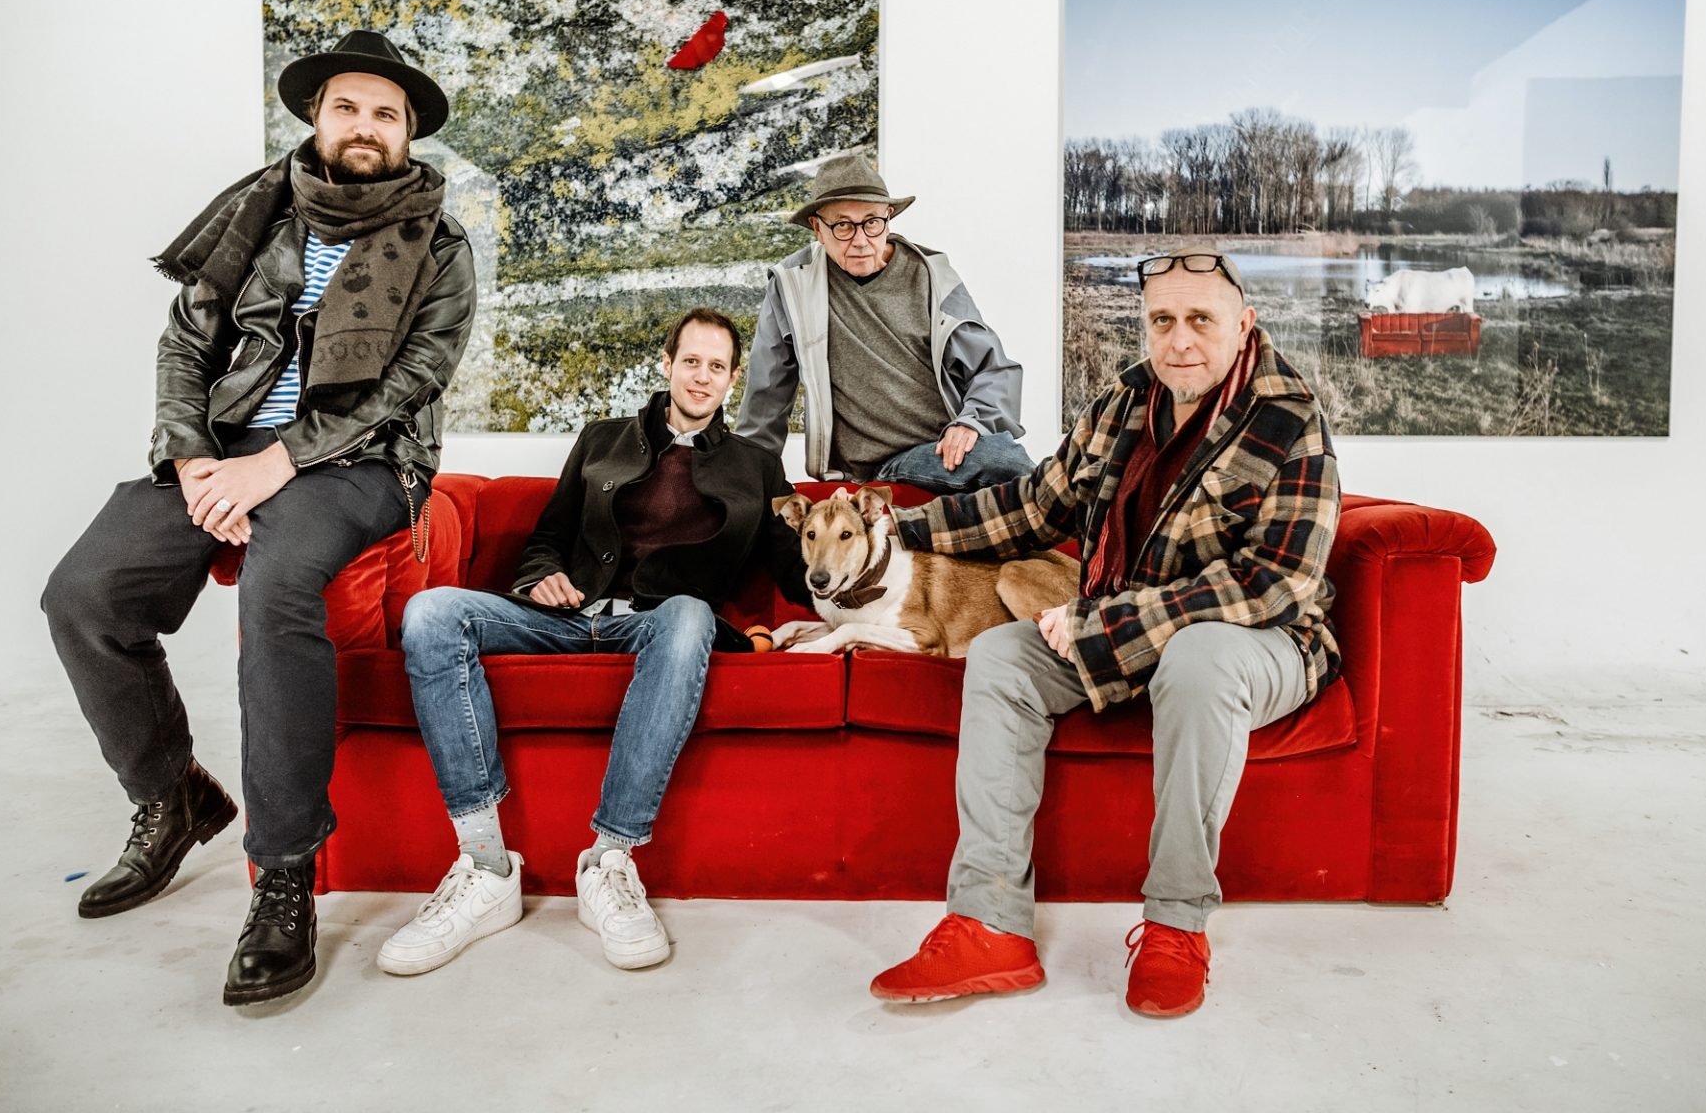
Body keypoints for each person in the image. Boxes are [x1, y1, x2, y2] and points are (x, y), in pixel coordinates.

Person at [42, 30, 476, 1006]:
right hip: (226, 450)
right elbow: (186, 343)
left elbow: (415, 380)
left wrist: (274, 464)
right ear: (318, 116)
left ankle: (285, 870)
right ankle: (170, 795)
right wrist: (196, 458)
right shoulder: (258, 212)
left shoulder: (439, 244)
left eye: (387, 113)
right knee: (83, 591)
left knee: (278, 588)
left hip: (362, 464)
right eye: (348, 107)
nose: (365, 126)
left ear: (408, 134)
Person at [868, 252, 1342, 1017]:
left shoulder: (1290, 416)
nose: (1179, 339)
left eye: (1200, 320)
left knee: (1197, 659)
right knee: (999, 657)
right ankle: (990, 923)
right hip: (1124, 629)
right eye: (1162, 320)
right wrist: (898, 528)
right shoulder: (1126, 399)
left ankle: (1175, 925)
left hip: (1263, 642)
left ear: (1243, 325)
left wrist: (1103, 622)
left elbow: (1273, 584)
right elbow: (1033, 507)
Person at [376, 309, 809, 976]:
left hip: (660, 625)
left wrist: (871, 586)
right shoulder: (602, 438)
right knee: (433, 612)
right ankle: (485, 865)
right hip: (568, 616)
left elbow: (798, 563)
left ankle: (609, 862)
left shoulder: (755, 463)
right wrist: (541, 576)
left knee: (691, 614)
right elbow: (548, 536)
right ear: (666, 365)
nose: (702, 376)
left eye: (717, 367)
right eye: (690, 361)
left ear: (732, 381)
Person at [736, 152, 1033, 492]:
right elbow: (765, 399)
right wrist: (745, 488)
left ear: (888, 219)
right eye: (843, 225)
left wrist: (971, 424)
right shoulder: (792, 285)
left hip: (939, 448)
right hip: (875, 467)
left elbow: (993, 369)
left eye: (872, 222)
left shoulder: (933, 277)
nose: (861, 240)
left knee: (1011, 461)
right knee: (1005, 464)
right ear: (818, 228)